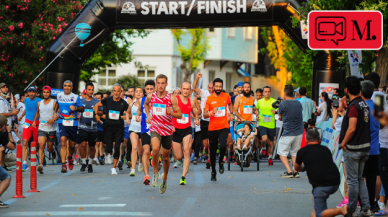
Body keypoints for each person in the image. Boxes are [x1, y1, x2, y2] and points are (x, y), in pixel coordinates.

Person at [339, 76, 373, 217]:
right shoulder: (363, 104)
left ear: (347, 90)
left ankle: (351, 210)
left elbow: (351, 128)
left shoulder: (354, 106)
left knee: (352, 180)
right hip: (365, 148)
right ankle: (366, 208)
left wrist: (343, 142)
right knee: (359, 179)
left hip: (353, 149)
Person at [295, 128, 346, 217]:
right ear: (319, 140)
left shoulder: (302, 151)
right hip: (335, 182)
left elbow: (296, 168)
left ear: (306, 140)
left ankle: (341, 210)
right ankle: (313, 214)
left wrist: (303, 168)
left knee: (320, 213)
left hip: (322, 186)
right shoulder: (326, 149)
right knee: (315, 192)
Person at [144, 74, 182, 194]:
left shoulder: (171, 98)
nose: (160, 85)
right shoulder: (151, 96)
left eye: (163, 83)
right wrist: (149, 115)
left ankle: (164, 178)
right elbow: (146, 104)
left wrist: (171, 113)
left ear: (166, 84)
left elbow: (179, 115)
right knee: (155, 149)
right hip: (155, 127)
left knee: (165, 157)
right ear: (156, 83)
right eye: (158, 83)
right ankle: (155, 172)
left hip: (167, 130)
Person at [95, 84, 129, 175]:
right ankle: (110, 152)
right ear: (113, 91)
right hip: (108, 127)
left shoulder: (124, 103)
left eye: (118, 91)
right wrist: (96, 115)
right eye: (114, 91)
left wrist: (125, 117)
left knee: (117, 146)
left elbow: (129, 113)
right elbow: (97, 105)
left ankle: (114, 167)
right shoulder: (107, 100)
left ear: (121, 92)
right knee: (109, 148)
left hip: (119, 127)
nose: (116, 92)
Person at [204, 78, 234, 181]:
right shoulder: (209, 99)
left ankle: (221, 161)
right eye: (216, 86)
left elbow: (230, 104)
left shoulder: (226, 96)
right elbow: (204, 114)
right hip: (212, 128)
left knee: (222, 146)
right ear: (213, 87)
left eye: (220, 86)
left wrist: (231, 113)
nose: (218, 88)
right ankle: (213, 171)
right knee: (212, 152)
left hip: (224, 127)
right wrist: (211, 113)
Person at [172, 82, 199, 185]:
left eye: (188, 89)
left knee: (187, 151)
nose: (186, 91)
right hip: (176, 130)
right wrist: (171, 125)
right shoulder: (175, 100)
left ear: (190, 90)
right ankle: (179, 161)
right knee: (179, 156)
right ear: (181, 89)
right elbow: (168, 112)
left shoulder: (191, 102)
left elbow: (195, 113)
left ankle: (183, 176)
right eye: (184, 89)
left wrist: (196, 119)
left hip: (187, 128)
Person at [360, 80, 381, 212]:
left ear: (360, 92)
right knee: (372, 178)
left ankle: (362, 205)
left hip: (361, 148)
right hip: (374, 149)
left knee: (359, 178)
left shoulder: (359, 106)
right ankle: (372, 204)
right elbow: (383, 124)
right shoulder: (378, 106)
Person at [57, 80, 85, 173]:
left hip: (73, 122)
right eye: (65, 85)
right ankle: (63, 164)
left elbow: (82, 108)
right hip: (62, 121)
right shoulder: (59, 96)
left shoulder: (75, 97)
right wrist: (55, 113)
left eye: (69, 86)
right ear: (63, 87)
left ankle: (70, 157)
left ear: (72, 88)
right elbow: (56, 106)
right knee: (63, 142)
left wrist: (76, 108)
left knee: (72, 145)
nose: (67, 87)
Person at [277, 85, 304, 178]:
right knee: (295, 152)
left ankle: (289, 172)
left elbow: (280, 117)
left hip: (288, 132)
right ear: (293, 93)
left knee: (281, 151)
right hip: (299, 131)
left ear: (284, 93)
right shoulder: (298, 103)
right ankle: (295, 171)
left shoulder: (282, 104)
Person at [32, 86, 58, 174]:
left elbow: (57, 114)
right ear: (42, 93)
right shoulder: (39, 103)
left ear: (50, 93)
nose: (45, 94)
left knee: (49, 148)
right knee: (41, 145)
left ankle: (53, 150)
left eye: (47, 92)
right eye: (44, 92)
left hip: (51, 128)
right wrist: (34, 121)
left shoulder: (54, 103)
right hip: (42, 128)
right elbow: (37, 112)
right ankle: (41, 165)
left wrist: (53, 120)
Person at [135, 80, 155, 185]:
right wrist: (137, 115)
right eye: (147, 89)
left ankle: (156, 161)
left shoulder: (158, 100)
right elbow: (139, 110)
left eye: (151, 89)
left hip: (157, 129)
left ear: (155, 89)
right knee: (146, 151)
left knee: (155, 151)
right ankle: (146, 175)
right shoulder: (142, 100)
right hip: (145, 129)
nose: (149, 91)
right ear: (145, 90)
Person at [193, 72, 214, 169]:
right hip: (204, 120)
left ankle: (210, 159)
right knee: (205, 143)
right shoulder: (204, 93)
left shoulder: (218, 96)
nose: (211, 90)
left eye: (212, 88)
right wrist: (197, 78)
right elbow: (194, 88)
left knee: (211, 141)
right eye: (209, 88)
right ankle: (206, 152)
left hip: (214, 120)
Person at [78, 83, 100, 173]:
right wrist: (78, 114)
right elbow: (77, 111)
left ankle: (90, 163)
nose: (91, 91)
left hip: (93, 127)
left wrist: (96, 112)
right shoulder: (81, 101)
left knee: (92, 147)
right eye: (89, 90)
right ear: (86, 90)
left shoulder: (97, 101)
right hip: (82, 127)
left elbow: (101, 113)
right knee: (83, 144)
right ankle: (83, 162)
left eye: (92, 90)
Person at [20, 86, 41, 171]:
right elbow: (27, 109)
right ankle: (24, 163)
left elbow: (39, 112)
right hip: (27, 124)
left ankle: (39, 160)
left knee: (37, 145)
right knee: (25, 142)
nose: (31, 93)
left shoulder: (39, 101)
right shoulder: (26, 100)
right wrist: (21, 116)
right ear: (28, 93)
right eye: (30, 92)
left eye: (33, 92)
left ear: (36, 93)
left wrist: (34, 121)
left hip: (36, 125)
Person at [256, 85, 277, 165]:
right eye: (265, 91)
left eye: (268, 91)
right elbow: (256, 109)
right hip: (262, 124)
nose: (267, 93)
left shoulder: (274, 101)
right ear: (263, 93)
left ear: (270, 92)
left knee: (270, 143)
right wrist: (257, 115)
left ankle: (270, 157)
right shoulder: (260, 101)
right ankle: (264, 148)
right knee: (264, 139)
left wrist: (276, 112)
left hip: (271, 125)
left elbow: (279, 111)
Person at [128, 87, 144, 176]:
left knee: (140, 151)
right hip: (133, 128)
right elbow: (127, 113)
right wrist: (127, 118)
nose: (138, 93)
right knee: (134, 147)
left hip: (142, 128)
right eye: (136, 92)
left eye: (140, 92)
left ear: (143, 94)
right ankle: (133, 169)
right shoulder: (132, 104)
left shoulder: (145, 104)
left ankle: (141, 161)